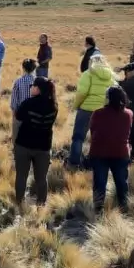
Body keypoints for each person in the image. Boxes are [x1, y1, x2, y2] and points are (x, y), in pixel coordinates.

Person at [13, 77, 58, 208]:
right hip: (43, 147)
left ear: (38, 89)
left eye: (32, 86)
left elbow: (18, 116)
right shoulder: (53, 106)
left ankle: (20, 203)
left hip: (24, 144)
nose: (31, 87)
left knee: (21, 176)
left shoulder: (28, 103)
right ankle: (41, 205)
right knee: (41, 178)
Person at [68, 53, 118, 167]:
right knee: (98, 138)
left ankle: (74, 163)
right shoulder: (111, 76)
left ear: (91, 62)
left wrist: (76, 106)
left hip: (86, 110)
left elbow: (82, 93)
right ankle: (95, 163)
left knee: (78, 137)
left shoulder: (88, 74)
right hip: (103, 111)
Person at [89, 87, 133, 214]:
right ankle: (123, 207)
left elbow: (93, 131)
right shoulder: (129, 114)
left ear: (108, 98)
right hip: (121, 152)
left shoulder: (98, 113)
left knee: (99, 182)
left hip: (100, 152)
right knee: (121, 182)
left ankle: (98, 209)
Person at [10, 59, 37, 140]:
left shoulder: (18, 81)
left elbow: (14, 101)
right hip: (35, 116)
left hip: (20, 114)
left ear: (23, 68)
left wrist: (14, 114)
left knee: (17, 138)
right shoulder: (38, 82)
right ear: (34, 69)